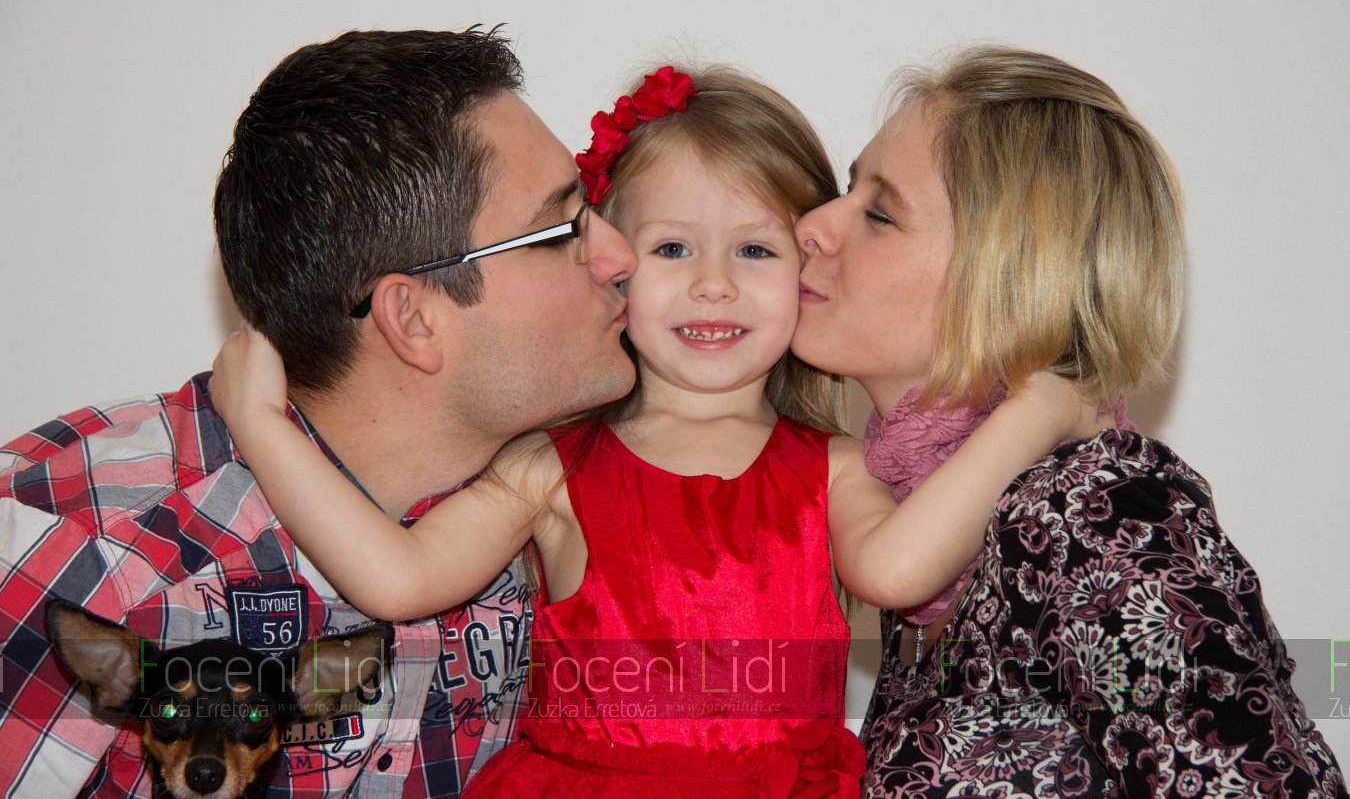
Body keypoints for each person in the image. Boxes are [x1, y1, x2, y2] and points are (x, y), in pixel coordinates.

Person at [210, 63, 1102, 797]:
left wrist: (1034, 410)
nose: (713, 284)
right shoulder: (550, 466)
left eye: (755, 250)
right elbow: (396, 577)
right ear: (613, 263)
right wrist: (259, 421)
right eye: (672, 249)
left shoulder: (834, 469)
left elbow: (899, 570)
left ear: (808, 271)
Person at [0, 28, 641, 797]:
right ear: (414, 319)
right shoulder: (75, 548)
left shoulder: (574, 503)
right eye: (564, 228)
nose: (620, 256)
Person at [790, 45, 1348, 796]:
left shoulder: (1095, 514)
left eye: (880, 213)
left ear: (1011, 279)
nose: (813, 225)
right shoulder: (937, 527)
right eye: (848, 188)